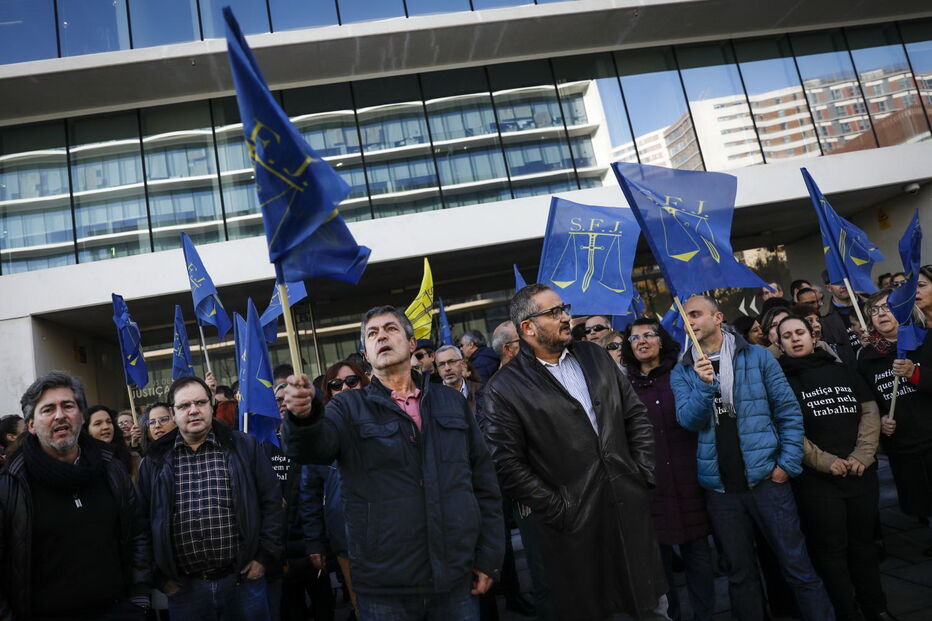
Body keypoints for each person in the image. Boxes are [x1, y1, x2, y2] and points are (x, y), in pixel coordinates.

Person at [282, 305, 504, 621]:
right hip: (384, 586)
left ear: (412, 344)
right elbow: (313, 449)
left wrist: (489, 556)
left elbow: (483, 482)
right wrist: (303, 418)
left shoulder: (450, 402)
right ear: (366, 354)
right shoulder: (348, 408)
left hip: (455, 576)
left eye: (391, 329)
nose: (382, 336)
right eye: (373, 333)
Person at [483, 284, 666, 620]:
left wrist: (641, 473)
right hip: (573, 529)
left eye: (563, 308)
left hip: (627, 508)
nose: (565, 317)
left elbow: (635, 414)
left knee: (651, 607)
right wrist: (560, 508)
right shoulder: (504, 387)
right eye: (553, 312)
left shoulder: (595, 356)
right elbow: (507, 463)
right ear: (528, 327)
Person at [671, 295, 834, 621]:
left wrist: (786, 465)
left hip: (768, 483)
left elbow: (788, 412)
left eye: (696, 314)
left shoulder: (757, 356)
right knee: (740, 575)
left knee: (797, 566)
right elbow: (688, 421)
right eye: (686, 317)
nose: (690, 322)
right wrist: (704, 385)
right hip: (721, 491)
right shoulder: (684, 370)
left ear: (718, 318)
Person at [0, 371, 151, 619]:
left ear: (81, 416)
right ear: (31, 425)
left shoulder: (111, 469)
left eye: (68, 406)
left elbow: (137, 532)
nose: (60, 415)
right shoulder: (11, 485)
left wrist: (139, 594)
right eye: (48, 409)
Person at [136, 375, 283, 621]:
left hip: (242, 582)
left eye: (200, 403)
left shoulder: (244, 447)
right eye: (184, 405)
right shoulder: (154, 460)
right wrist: (159, 577)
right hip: (185, 591)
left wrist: (263, 557)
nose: (193, 410)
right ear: (173, 413)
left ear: (212, 406)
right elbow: (141, 523)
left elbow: (272, 503)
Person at [776, 315, 892, 620]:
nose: (795, 338)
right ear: (780, 345)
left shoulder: (843, 370)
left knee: (864, 546)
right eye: (787, 336)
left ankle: (875, 607)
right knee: (831, 552)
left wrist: (862, 455)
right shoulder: (779, 381)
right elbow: (786, 428)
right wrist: (825, 461)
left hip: (859, 473)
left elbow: (869, 412)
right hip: (818, 483)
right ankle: (844, 611)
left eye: (799, 332)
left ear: (813, 337)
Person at [622, 318, 715, 621]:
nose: (642, 341)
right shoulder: (624, 386)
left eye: (648, 335)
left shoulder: (683, 373)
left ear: (661, 340)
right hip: (651, 485)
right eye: (635, 338)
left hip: (690, 478)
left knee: (699, 557)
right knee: (659, 567)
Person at [857, 290, 932, 551]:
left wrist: (915, 374)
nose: (881, 314)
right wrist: (880, 419)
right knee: (921, 500)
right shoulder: (866, 358)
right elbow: (868, 399)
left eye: (887, 307)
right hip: (904, 444)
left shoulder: (926, 340)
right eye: (874, 310)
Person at [84, 404, 140, 480]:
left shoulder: (120, 458)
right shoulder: (83, 462)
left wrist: (135, 446)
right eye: (98, 423)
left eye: (109, 422)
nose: (106, 427)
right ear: (87, 430)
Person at [820, 271, 860, 365]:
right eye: (837, 282)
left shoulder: (870, 305)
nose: (843, 285)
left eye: (845, 279)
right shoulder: (822, 317)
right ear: (828, 288)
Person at [436, 345, 483, 413]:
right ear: (438, 369)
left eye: (452, 362)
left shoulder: (480, 390)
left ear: (462, 364)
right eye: (442, 364)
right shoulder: (432, 398)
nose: (447, 368)